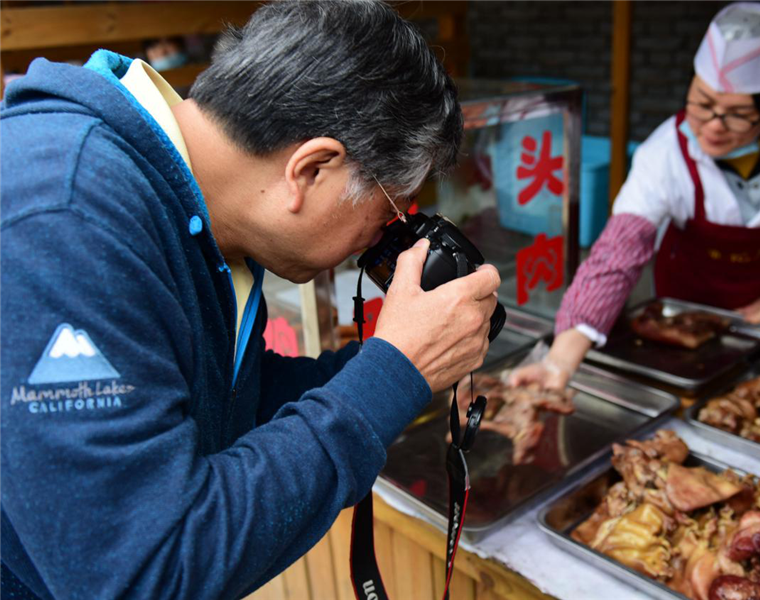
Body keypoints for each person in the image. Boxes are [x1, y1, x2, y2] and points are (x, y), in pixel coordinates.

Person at [0, 1, 500, 598]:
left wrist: (403, 360)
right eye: (391, 209)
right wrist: (393, 374)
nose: (384, 237)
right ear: (311, 169)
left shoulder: (198, 211)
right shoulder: (65, 218)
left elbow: (214, 400)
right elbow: (146, 572)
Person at [512, 2, 760, 390]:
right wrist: (560, 360)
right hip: (680, 322)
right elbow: (617, 253)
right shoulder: (666, 151)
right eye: (702, 103)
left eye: (737, 114)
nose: (713, 127)